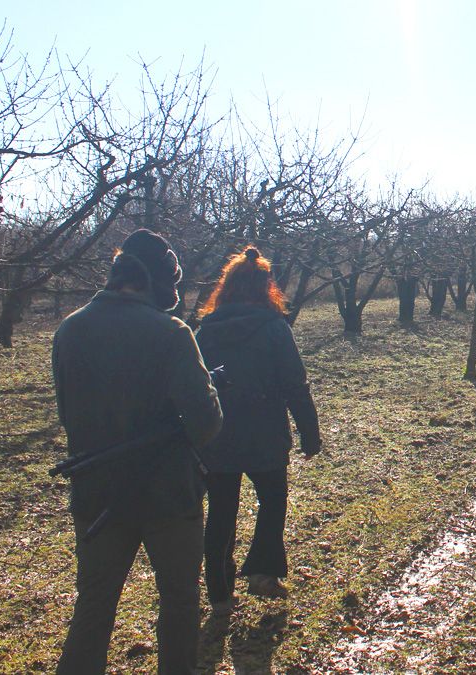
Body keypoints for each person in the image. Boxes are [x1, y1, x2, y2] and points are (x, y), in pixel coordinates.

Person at [53, 229, 222, 675]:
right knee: (181, 604)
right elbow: (207, 425)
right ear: (160, 280)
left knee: (94, 606)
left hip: (96, 495)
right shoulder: (171, 332)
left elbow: (68, 417)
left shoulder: (69, 329)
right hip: (169, 497)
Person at [195, 247, 321, 616]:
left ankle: (219, 593)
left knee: (220, 512)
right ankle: (263, 574)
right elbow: (295, 383)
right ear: (267, 287)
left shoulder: (205, 330)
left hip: (218, 434)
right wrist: (309, 433)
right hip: (265, 431)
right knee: (272, 502)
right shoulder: (273, 328)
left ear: (227, 286)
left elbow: (196, 385)